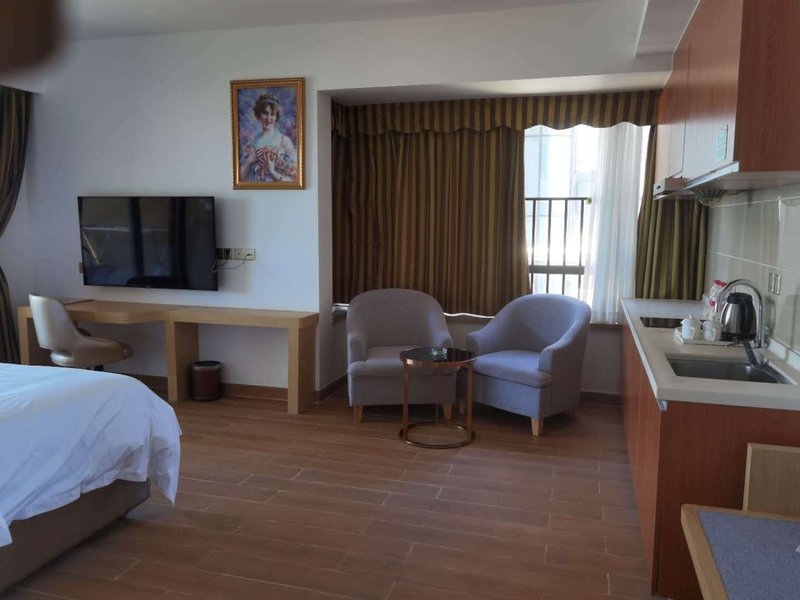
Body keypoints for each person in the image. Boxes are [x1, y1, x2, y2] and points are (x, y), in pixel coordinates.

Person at [239, 93, 297, 183]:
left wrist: (271, 171)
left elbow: (294, 180)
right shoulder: (252, 142)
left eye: (272, 114)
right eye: (265, 113)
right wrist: (249, 162)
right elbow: (241, 179)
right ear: (259, 115)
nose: (268, 118)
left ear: (276, 117)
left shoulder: (284, 141)